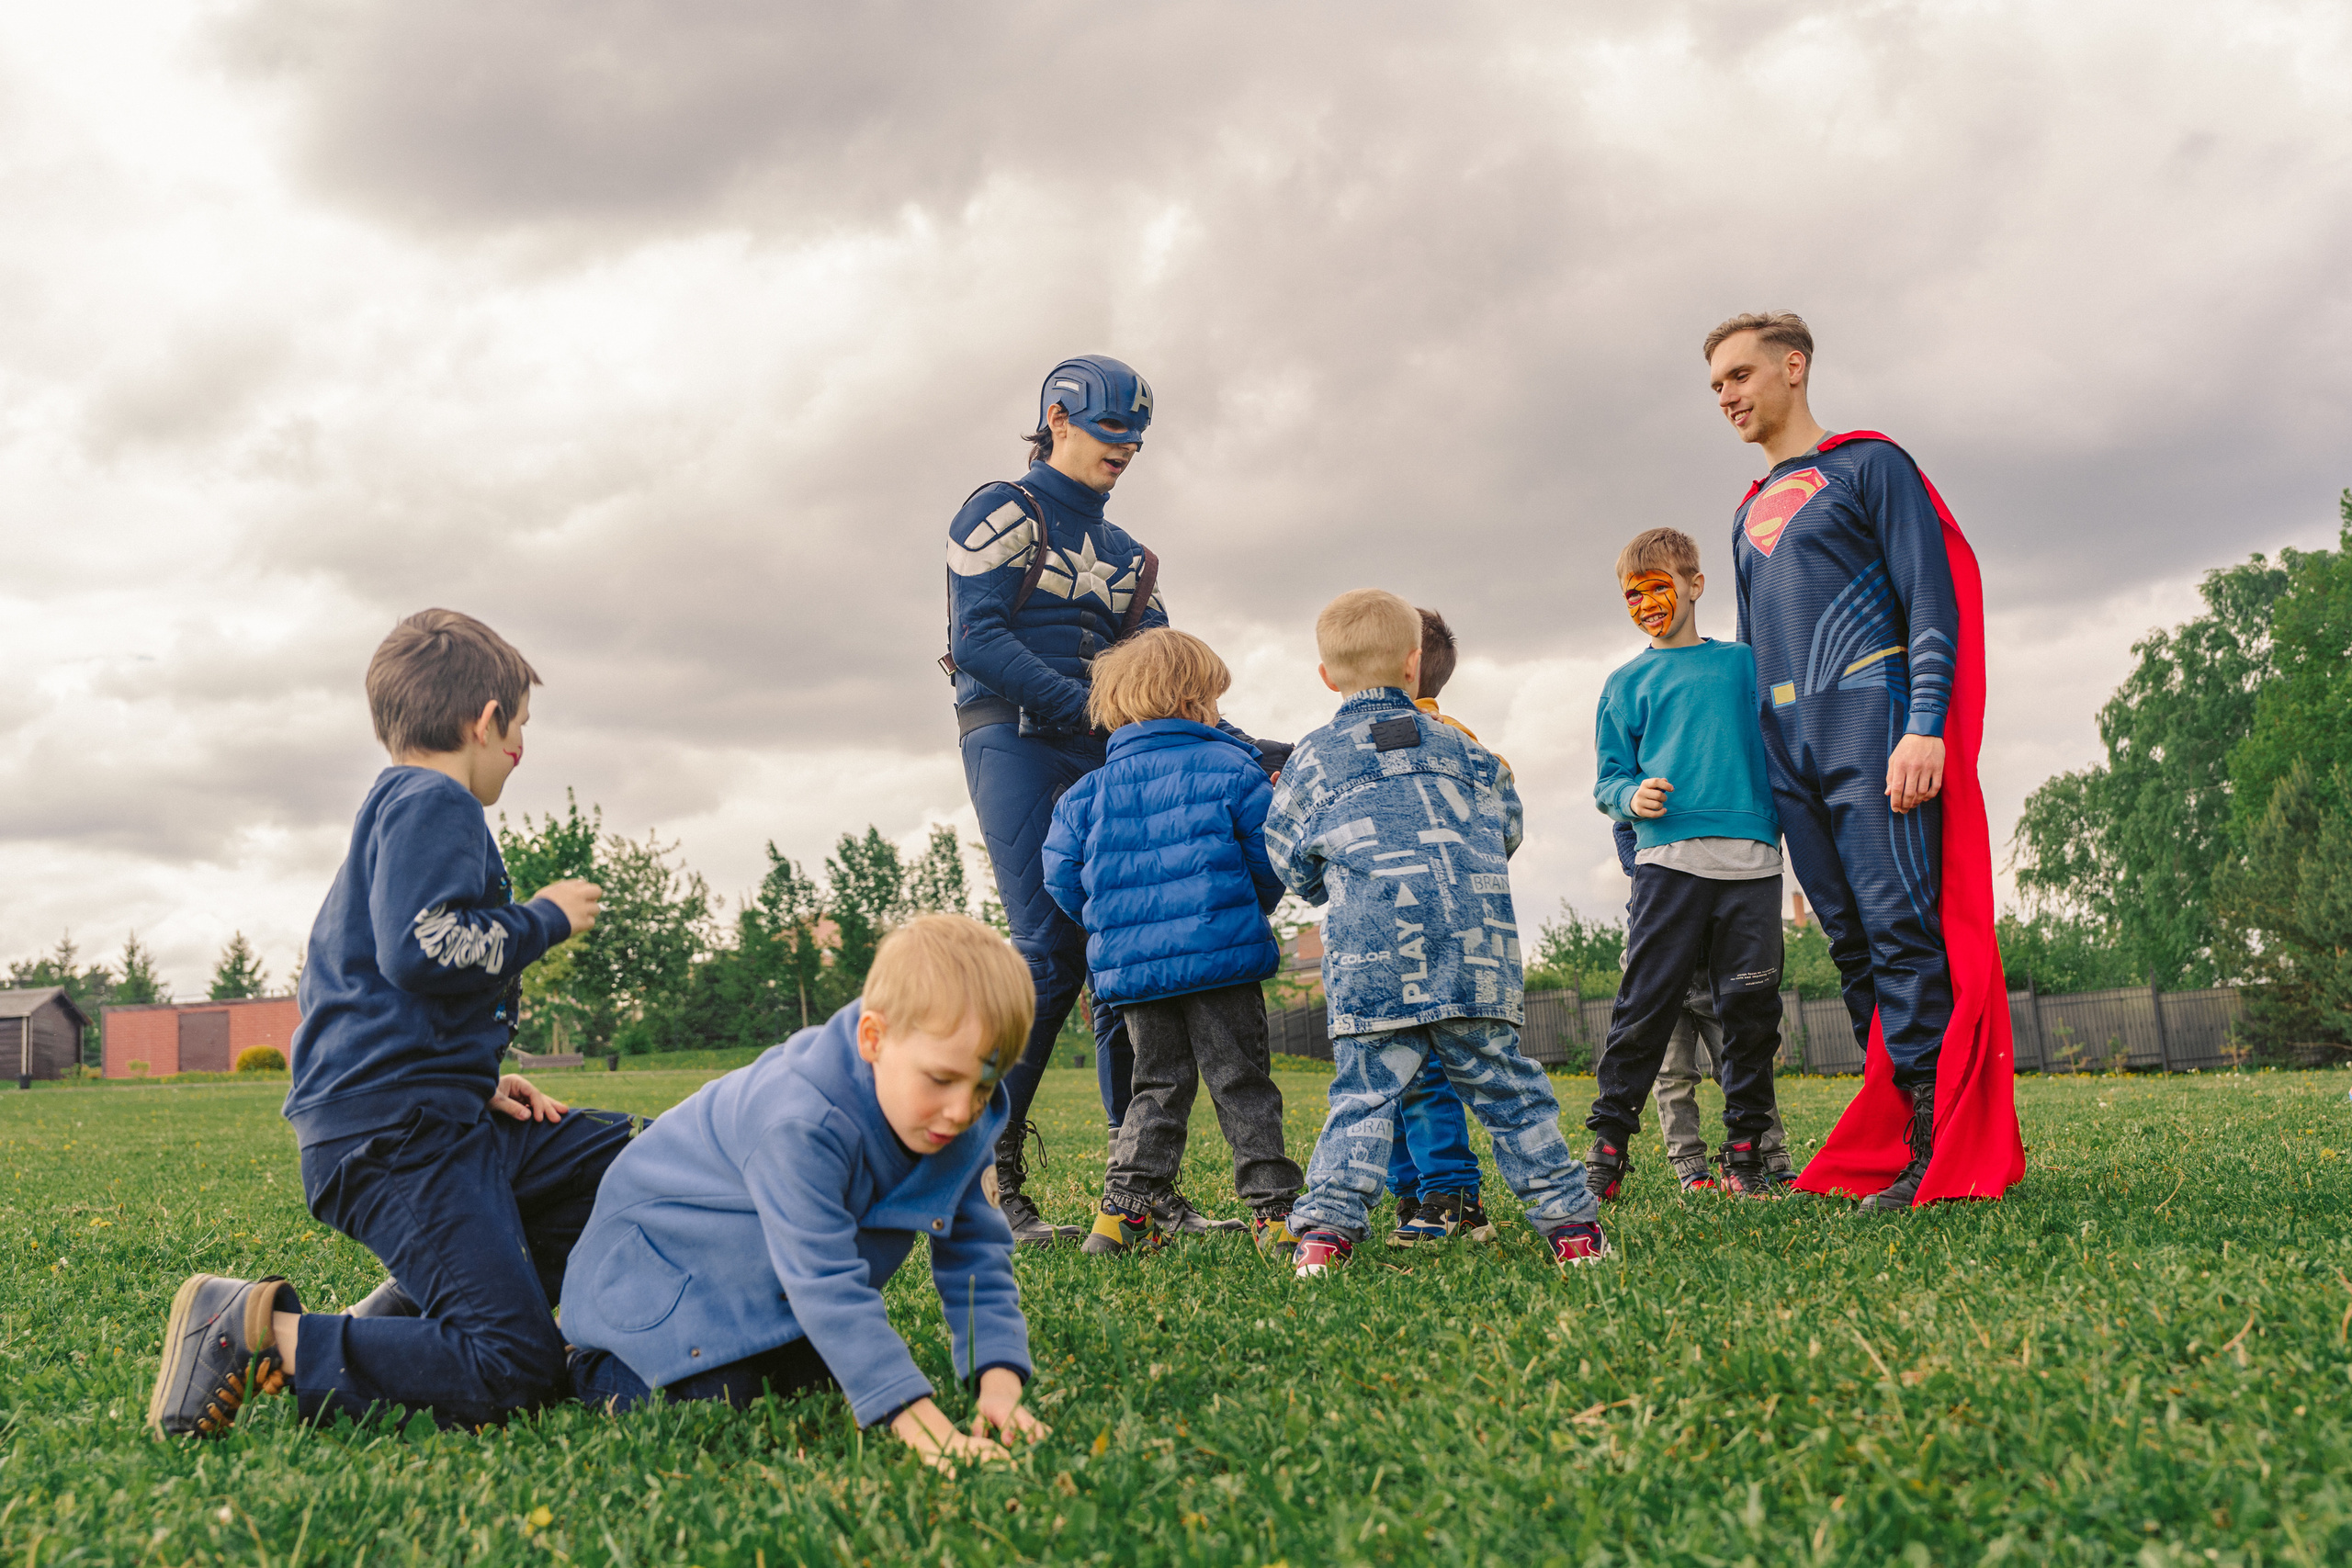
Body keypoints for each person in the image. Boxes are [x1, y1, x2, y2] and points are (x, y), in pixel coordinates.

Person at [148, 610, 628, 1438]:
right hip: (394, 1134)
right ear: (485, 720)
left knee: (616, 1162)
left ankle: (403, 1320)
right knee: (516, 1366)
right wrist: (542, 918)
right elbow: (422, 947)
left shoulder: (404, 808)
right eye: (520, 727)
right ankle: (259, 1333)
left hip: (424, 1109)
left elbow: (388, 988)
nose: (520, 748)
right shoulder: (433, 801)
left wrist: (471, 1077)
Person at [944, 354, 1288, 1246]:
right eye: (1108, 431)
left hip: (1109, 747)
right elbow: (976, 638)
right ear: (1057, 416)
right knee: (1051, 952)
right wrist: (1091, 711)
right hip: (1013, 738)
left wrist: (1249, 749)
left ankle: (1136, 1193)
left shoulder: (1131, 555)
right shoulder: (1000, 510)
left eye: (1136, 435)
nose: (1126, 446)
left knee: (1124, 957)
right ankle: (987, 1182)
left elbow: (1167, 686)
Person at [1707, 310, 2023, 1207]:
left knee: (1898, 930)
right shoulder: (1742, 511)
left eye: (1739, 375)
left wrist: (1925, 722)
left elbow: (1931, 594)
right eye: (1716, 386)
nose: (1727, 396)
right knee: (1848, 945)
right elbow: (1750, 644)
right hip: (1789, 749)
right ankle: (1895, 1136)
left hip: (1874, 726)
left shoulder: (1870, 465)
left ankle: (1935, 1148)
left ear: (1792, 368)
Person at [561, 916, 1047, 1470]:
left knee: (813, 1378)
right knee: (717, 1398)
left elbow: (977, 1256)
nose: (962, 1111)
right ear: (874, 1038)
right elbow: (824, 1279)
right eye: (940, 1079)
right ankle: (587, 1363)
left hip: (751, 1279)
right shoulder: (801, 1121)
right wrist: (927, 1431)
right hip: (657, 1284)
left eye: (985, 1085)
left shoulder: (959, 1117)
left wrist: (1000, 1386)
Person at [1264, 589, 1610, 1276]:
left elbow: (1288, 855)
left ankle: (1324, 1236)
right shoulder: (1470, 751)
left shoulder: (1312, 759)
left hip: (1372, 959)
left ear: (1327, 675)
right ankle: (1572, 1228)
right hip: (1473, 957)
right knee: (1512, 1092)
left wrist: (1326, 882)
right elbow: (1507, 828)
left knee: (1363, 1098)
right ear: (1414, 664)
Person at [1040, 628, 1305, 1257]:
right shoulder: (1234, 769)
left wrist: (1115, 924)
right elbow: (1270, 856)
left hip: (1133, 973)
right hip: (1222, 960)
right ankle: (1274, 1213)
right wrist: (1249, 906)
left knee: (1155, 1086)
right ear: (1196, 702)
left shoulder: (1086, 794)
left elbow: (1058, 876)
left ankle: (1119, 1217)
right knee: (1240, 1081)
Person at [1583, 529, 1792, 1201]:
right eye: (1632, 594)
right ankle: (1608, 1150)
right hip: (1667, 864)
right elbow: (1608, 780)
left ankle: (1745, 1156)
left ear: (1696, 586)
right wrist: (1630, 795)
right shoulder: (1625, 683)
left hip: (1753, 864)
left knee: (1752, 1015)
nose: (1646, 603)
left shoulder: (1745, 665)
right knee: (1642, 1010)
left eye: (1658, 587)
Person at [1602, 821, 1793, 1192]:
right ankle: (1689, 1164)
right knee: (1673, 1075)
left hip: (1718, 972)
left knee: (1740, 1063)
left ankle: (1769, 1154)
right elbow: (1628, 833)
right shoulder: (1648, 838)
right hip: (1659, 969)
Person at [1382, 610, 1493, 1247]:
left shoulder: (1431, 734)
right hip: (1390, 933)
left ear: (1405, 662)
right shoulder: (1381, 732)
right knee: (1397, 1070)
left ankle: (1451, 1195)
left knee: (1425, 1071)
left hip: (1429, 932)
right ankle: (1412, 1193)